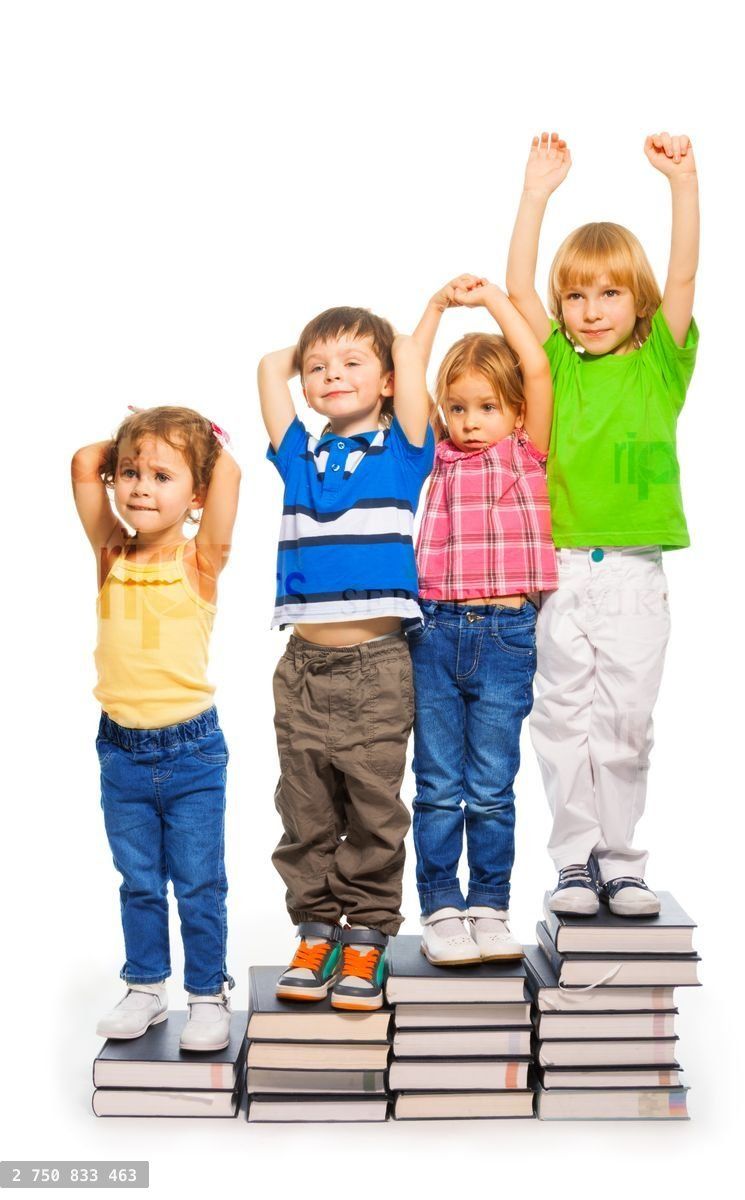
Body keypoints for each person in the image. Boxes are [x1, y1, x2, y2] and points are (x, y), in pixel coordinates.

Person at [506, 131, 700, 916]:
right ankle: (573, 865)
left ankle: (621, 860)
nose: (589, 312)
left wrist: (682, 184)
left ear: (640, 303)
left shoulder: (661, 358)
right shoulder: (550, 358)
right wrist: (535, 193)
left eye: (608, 294)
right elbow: (518, 288)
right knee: (560, 718)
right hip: (556, 566)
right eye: (577, 296)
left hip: (629, 570)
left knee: (624, 720)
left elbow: (683, 268)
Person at [258, 307, 432, 1010]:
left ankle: (365, 938)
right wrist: (314, 354)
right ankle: (315, 930)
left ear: (389, 381)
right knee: (303, 809)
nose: (332, 376)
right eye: (320, 368)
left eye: (353, 364)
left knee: (371, 810)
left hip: (376, 668)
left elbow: (410, 360)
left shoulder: (404, 448)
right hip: (301, 666)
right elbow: (271, 367)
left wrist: (423, 320)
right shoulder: (296, 453)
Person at [71, 406, 240, 1048]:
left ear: (195, 494)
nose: (141, 486)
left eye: (163, 475)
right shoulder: (110, 551)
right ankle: (145, 986)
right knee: (139, 881)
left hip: (192, 749)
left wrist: (199, 439)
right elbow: (84, 464)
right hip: (121, 752)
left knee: (198, 882)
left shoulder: (202, 559)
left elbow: (231, 473)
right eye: (132, 473)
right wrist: (134, 440)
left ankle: (206, 993)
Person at [408, 275, 557, 965]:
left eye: (486, 407)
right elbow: (410, 381)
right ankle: (440, 908)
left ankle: (489, 906)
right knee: (437, 784)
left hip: (504, 636)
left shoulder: (526, 450)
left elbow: (533, 363)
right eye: (457, 407)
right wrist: (436, 308)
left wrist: (495, 302)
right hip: (434, 633)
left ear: (517, 411)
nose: (469, 420)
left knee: (491, 787)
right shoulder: (436, 452)